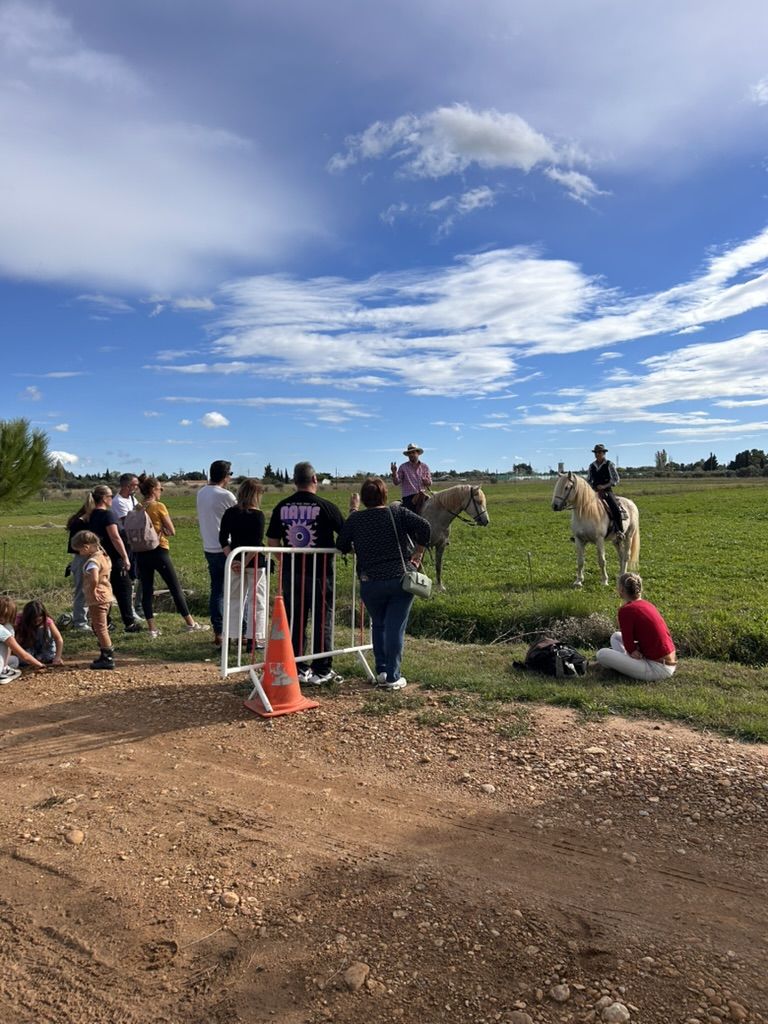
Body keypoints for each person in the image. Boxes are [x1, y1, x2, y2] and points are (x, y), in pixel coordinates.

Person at [337, 477, 430, 690]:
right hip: (399, 579)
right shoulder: (396, 512)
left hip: (370, 582)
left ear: (364, 498)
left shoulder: (356, 519)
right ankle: (393, 677)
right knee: (395, 627)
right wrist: (418, 552)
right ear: (384, 495)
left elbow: (341, 544)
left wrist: (353, 511)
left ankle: (381, 671)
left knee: (378, 625)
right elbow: (425, 527)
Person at [267, 461, 344, 685]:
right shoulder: (327, 507)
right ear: (315, 480)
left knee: (295, 619)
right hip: (320, 575)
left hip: (292, 574)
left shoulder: (282, 507)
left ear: (294, 481)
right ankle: (322, 668)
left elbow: (272, 540)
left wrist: (285, 559)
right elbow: (346, 534)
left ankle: (298, 666)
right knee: (323, 620)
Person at [135, 476, 208, 638]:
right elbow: (172, 530)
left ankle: (152, 629)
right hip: (158, 550)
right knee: (175, 587)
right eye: (160, 488)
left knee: (147, 590)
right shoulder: (158, 506)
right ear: (153, 490)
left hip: (141, 552)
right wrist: (162, 531)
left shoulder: (137, 507)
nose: (162, 491)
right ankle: (190, 623)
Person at [596, 572, 677, 682]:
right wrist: (635, 651)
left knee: (601, 654)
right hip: (667, 661)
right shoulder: (647, 604)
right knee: (615, 636)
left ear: (621, 590)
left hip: (657, 669)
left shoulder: (626, 610)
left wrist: (634, 651)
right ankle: (627, 664)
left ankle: (622, 666)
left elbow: (629, 646)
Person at [220, 478, 268, 651]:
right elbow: (257, 544)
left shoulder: (230, 513)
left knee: (233, 599)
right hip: (255, 563)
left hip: (234, 560)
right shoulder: (258, 516)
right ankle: (255, 639)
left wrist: (233, 560)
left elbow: (223, 538)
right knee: (258, 601)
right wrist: (244, 562)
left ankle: (231, 637)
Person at [88, 484, 142, 633]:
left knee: (106, 589)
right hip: (114, 558)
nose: (112, 498)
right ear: (104, 498)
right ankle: (129, 623)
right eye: (110, 496)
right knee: (123, 589)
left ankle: (104, 622)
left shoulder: (92, 514)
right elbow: (115, 537)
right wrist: (125, 557)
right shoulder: (108, 515)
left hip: (101, 558)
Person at [196, 460, 236, 645]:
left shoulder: (201, 493)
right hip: (226, 547)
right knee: (235, 592)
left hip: (208, 547)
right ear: (226, 476)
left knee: (217, 590)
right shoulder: (226, 495)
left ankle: (219, 632)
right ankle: (238, 632)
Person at [71, 530, 116, 670]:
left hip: (98, 598)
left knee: (100, 627)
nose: (79, 553)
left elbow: (94, 577)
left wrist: (91, 590)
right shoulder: (103, 555)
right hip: (107, 595)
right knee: (100, 626)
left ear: (86, 547)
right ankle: (105, 653)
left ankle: (107, 657)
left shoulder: (92, 561)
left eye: (79, 551)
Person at [112, 472, 143, 618]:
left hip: (134, 539)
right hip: (126, 539)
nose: (136, 488)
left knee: (135, 574)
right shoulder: (118, 502)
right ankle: (130, 610)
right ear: (127, 486)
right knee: (128, 576)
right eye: (135, 485)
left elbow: (140, 511)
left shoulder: (132, 499)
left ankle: (136, 607)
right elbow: (128, 521)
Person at [0, 596, 48, 682]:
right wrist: (40, 665)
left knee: (14, 660)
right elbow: (24, 655)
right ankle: (3, 671)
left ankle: (4, 668)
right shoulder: (4, 630)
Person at [66, 494, 96, 631]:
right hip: (82, 558)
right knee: (82, 591)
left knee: (88, 590)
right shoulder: (80, 523)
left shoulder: (81, 521)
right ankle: (80, 622)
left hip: (85, 558)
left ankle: (85, 619)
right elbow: (74, 546)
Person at [587, 443, 624, 539]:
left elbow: (616, 479)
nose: (597, 454)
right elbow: (589, 480)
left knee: (615, 508)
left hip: (606, 491)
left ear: (604, 453)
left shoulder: (609, 464)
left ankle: (620, 530)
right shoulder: (591, 466)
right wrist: (591, 487)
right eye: (596, 452)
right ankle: (581, 532)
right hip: (594, 492)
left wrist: (603, 486)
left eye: (599, 452)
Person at [15, 600, 64, 665]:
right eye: (34, 621)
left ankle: (41, 657)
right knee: (21, 660)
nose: (37, 623)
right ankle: (35, 658)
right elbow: (13, 640)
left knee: (44, 629)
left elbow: (58, 639)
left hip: (44, 648)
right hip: (27, 647)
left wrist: (57, 657)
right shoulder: (19, 620)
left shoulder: (47, 621)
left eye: (39, 620)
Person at [390, 443, 432, 512]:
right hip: (408, 497)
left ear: (418, 453)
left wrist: (426, 481)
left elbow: (430, 483)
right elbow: (396, 482)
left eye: (413, 452)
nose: (411, 454)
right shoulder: (403, 467)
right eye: (409, 453)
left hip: (423, 496)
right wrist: (394, 473)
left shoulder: (425, 467)